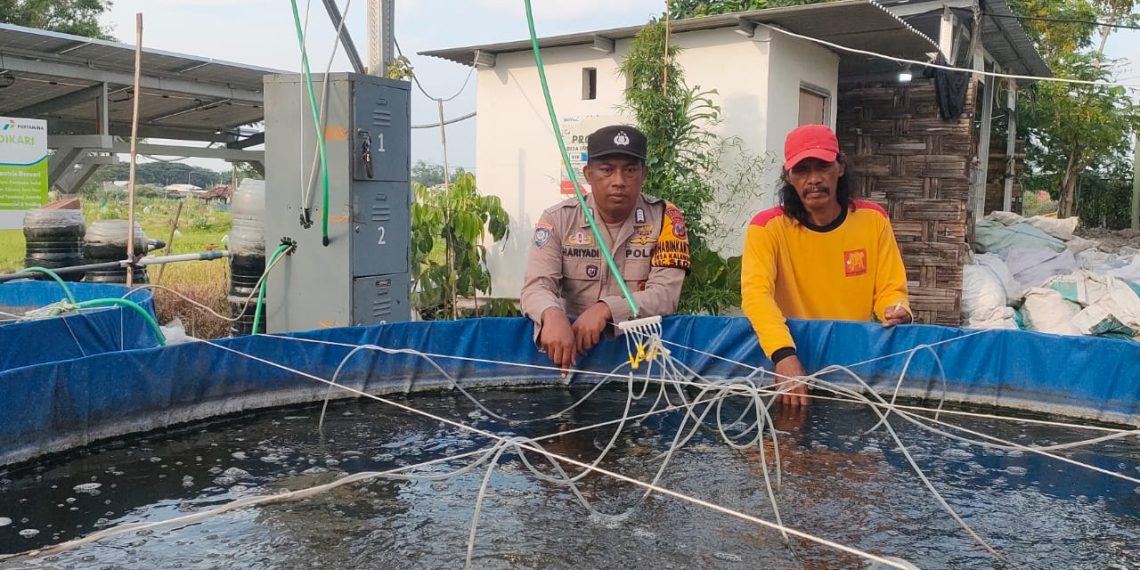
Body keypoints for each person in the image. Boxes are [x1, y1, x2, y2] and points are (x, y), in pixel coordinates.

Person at [741, 124, 911, 408]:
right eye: (802, 170)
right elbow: (756, 296)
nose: (814, 179)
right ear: (788, 176)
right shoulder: (766, 228)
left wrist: (896, 309)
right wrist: (783, 356)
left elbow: (890, 289)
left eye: (823, 166)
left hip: (853, 367)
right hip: (788, 360)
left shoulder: (873, 220)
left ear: (840, 167)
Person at [521, 125, 690, 371]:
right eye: (607, 170)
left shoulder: (665, 219)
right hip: (571, 360)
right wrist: (550, 314)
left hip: (641, 361)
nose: (619, 181)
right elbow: (537, 286)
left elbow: (665, 295)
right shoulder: (558, 220)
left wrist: (607, 309)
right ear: (588, 174)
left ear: (644, 174)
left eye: (630, 170)